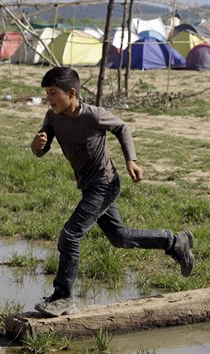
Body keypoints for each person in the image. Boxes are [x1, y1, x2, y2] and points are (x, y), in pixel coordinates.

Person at [30, 67, 195, 317]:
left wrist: (131, 160)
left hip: (105, 184)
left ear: (72, 93)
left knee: (70, 235)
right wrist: (37, 146)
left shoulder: (94, 116)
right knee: (119, 237)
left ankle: (63, 297)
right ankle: (174, 242)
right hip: (89, 187)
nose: (49, 98)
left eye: (53, 93)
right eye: (46, 93)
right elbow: (41, 149)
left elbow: (122, 128)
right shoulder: (53, 117)